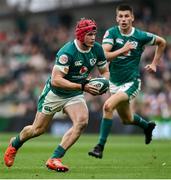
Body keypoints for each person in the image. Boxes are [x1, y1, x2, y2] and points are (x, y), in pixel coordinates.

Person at [4, 18, 109, 172]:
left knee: (81, 122)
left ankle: (55, 158)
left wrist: (103, 83)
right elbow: (56, 81)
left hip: (74, 94)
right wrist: (83, 86)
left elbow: (105, 71)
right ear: (80, 35)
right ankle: (15, 144)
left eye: (94, 34)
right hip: (55, 93)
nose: (93, 37)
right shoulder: (67, 52)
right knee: (37, 130)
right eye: (89, 34)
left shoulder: (97, 49)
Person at [88, 4, 166, 159]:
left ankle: (99, 147)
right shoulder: (112, 33)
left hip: (132, 82)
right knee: (127, 119)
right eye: (120, 16)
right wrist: (123, 49)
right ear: (117, 18)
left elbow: (162, 42)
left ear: (132, 18)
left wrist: (155, 64)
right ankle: (147, 126)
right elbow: (104, 55)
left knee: (108, 106)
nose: (123, 19)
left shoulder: (140, 36)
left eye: (126, 16)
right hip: (114, 83)